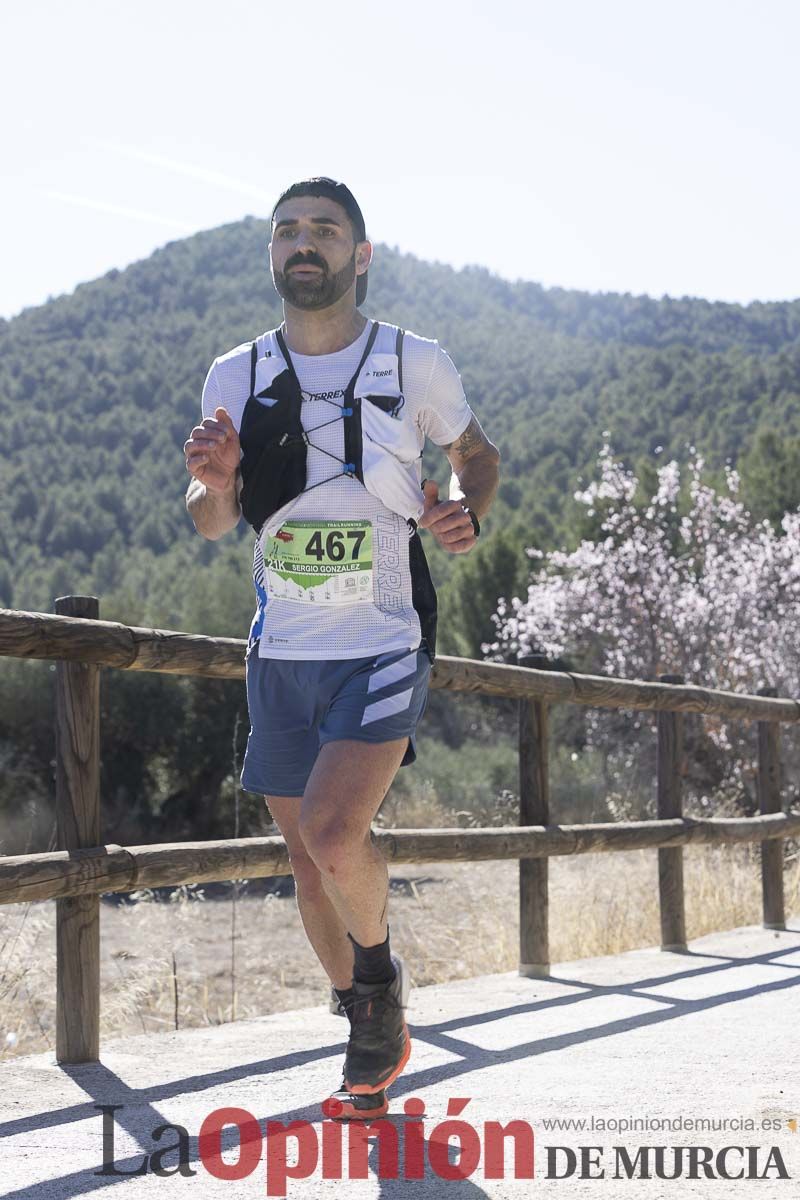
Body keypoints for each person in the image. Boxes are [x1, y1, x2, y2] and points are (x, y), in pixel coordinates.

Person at [184, 178, 500, 1118]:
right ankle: (365, 1014)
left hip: (385, 635)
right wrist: (218, 482)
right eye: (288, 232)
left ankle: (378, 993)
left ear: (361, 255)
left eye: (324, 230)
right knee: (306, 861)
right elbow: (209, 520)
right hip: (282, 648)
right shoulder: (232, 375)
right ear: (273, 256)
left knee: (333, 834)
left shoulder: (416, 362)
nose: (304, 243)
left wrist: (462, 510)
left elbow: (477, 457)